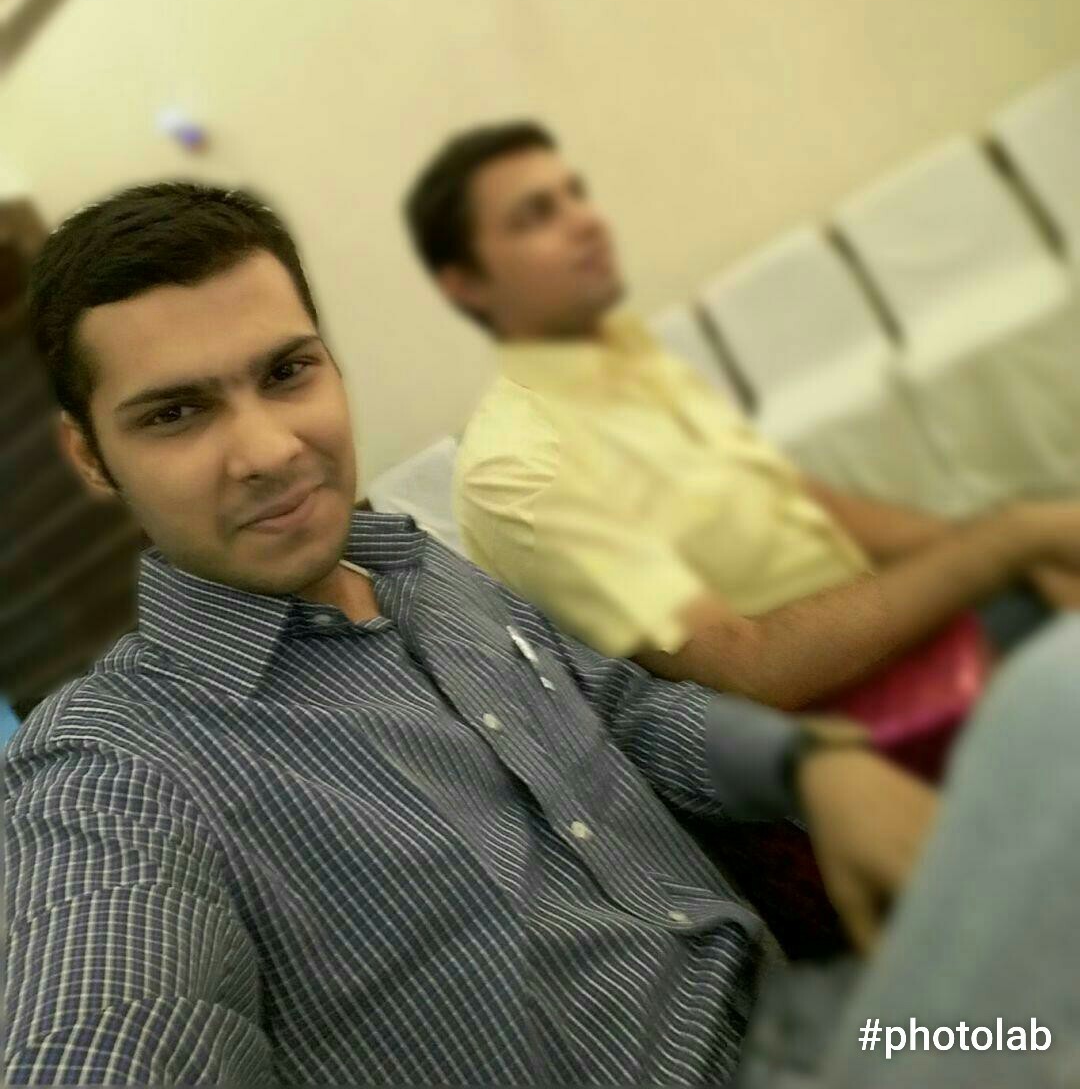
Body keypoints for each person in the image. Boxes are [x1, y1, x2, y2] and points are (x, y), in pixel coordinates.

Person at [4, 180, 1075, 1088]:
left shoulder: (421, 571)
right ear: (91, 456)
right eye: (177, 414)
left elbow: (629, 712)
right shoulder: (115, 769)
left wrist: (806, 766)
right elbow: (103, 1024)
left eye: (288, 372)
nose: (271, 449)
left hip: (837, 1031)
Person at [404, 121, 1080, 711]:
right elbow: (750, 668)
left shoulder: (622, 354)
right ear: (466, 283)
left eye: (576, 194)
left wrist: (1011, 558)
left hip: (898, 633)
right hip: (849, 727)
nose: (587, 221)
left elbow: (804, 502)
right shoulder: (517, 472)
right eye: (537, 215)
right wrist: (1004, 544)